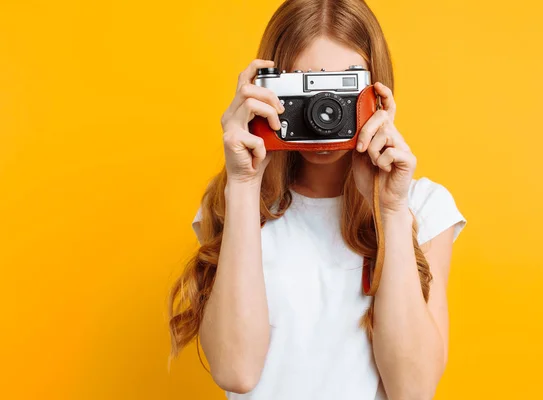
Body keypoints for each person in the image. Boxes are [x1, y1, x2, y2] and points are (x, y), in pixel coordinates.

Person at [168, 0, 467, 399]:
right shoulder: (236, 201)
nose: (324, 113)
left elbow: (413, 390)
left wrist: (391, 210)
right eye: (304, 88)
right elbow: (235, 370)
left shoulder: (423, 205)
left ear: (378, 92)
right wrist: (242, 185)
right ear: (269, 90)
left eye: (342, 88)